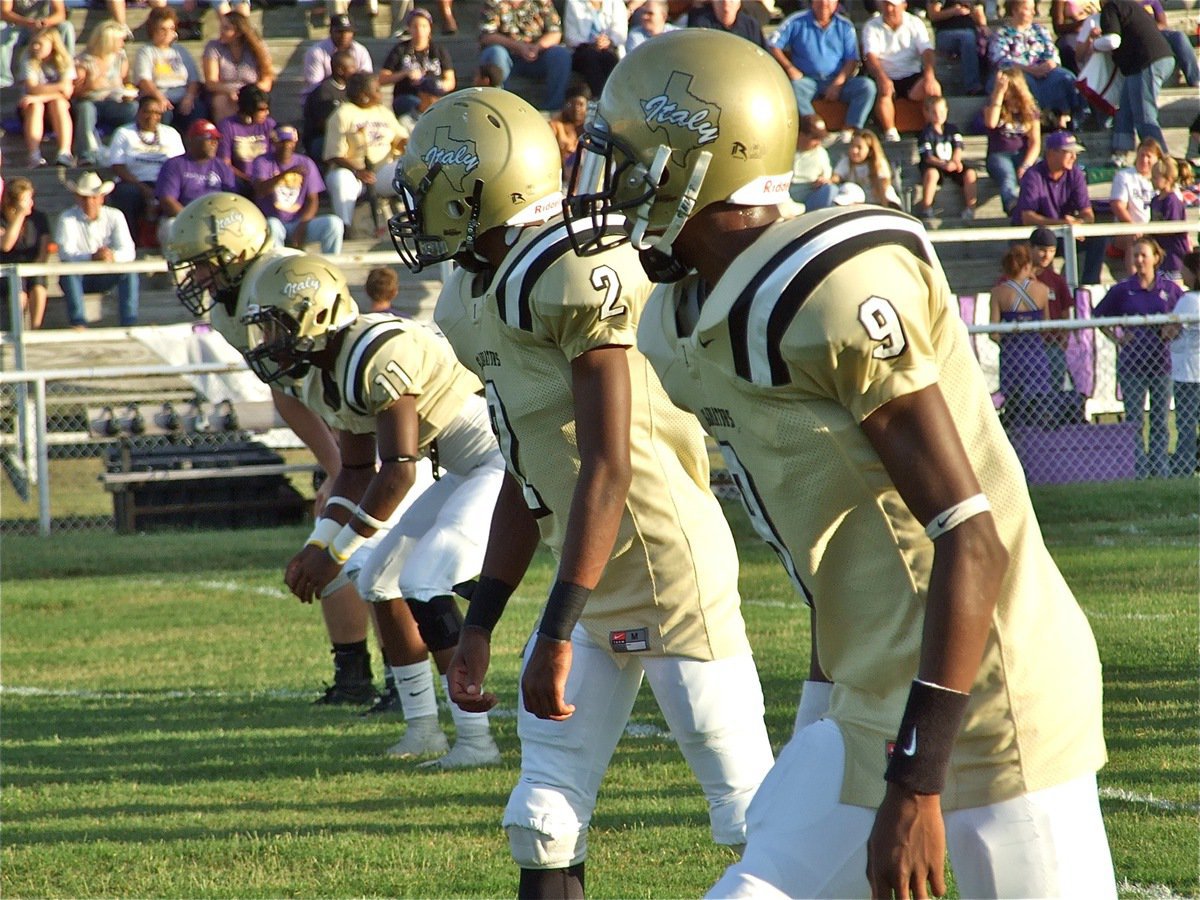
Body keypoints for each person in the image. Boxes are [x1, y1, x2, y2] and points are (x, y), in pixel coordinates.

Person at [564, 28, 1115, 899]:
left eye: (632, 166)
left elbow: (969, 540)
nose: (612, 191)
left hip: (988, 702)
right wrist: (820, 714)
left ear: (697, 166)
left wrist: (917, 782)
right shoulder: (680, 320)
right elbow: (834, 551)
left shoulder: (829, 294)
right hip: (868, 699)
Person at [393, 86, 775, 898]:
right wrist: (485, 621)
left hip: (669, 573)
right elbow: (526, 474)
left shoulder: (574, 270)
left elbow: (610, 464)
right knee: (540, 819)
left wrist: (556, 628)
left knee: (753, 818)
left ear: (479, 185)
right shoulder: (470, 295)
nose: (416, 206)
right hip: (588, 582)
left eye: (430, 185)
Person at [241, 253, 508, 768]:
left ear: (312, 317)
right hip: (461, 468)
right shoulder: (328, 372)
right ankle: (424, 731)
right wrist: (318, 542)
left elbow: (398, 473)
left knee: (426, 579)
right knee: (380, 581)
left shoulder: (375, 352)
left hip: (502, 461)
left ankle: (477, 743)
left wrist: (336, 555)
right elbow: (356, 470)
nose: (267, 340)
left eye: (275, 325)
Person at [164, 192, 390, 708]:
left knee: (376, 551)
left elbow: (342, 372)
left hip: (374, 417)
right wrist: (333, 468)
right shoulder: (234, 303)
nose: (195, 279)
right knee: (331, 527)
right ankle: (353, 673)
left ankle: (403, 675)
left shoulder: (289, 280)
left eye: (202, 266)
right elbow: (283, 389)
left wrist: (350, 469)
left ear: (237, 254)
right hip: (338, 425)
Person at [1094, 237, 1182, 478]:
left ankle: (1160, 469)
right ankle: (1139, 470)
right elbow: (1098, 317)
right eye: (1136, 255)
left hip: (1161, 363)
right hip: (1132, 364)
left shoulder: (1169, 289)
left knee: (1160, 419)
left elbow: (1183, 317)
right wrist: (1118, 339)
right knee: (1134, 421)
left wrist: (1172, 331)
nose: (1139, 260)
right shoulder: (1123, 290)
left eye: (1144, 255)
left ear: (1156, 258)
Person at [767, 0, 877, 141]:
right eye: (820, 0)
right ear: (812, 2)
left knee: (867, 87)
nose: (824, 4)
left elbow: (852, 60)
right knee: (794, 88)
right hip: (808, 81)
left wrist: (838, 83)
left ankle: (850, 130)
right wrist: (789, 68)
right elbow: (772, 44)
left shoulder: (845, 25)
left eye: (829, 1)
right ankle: (816, 131)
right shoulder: (796, 21)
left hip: (837, 81)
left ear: (836, 4)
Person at [1012, 130, 1105, 284]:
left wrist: (1079, 224)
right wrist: (1063, 224)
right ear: (1051, 153)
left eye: (1075, 153)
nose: (1074, 157)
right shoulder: (1033, 175)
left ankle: (1088, 288)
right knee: (1042, 243)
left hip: (1064, 233)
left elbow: (1088, 214)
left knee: (1097, 239)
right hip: (1033, 236)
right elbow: (1027, 217)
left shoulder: (1075, 174)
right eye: (1068, 152)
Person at [322, 72, 408, 233]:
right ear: (363, 95)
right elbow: (333, 155)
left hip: (382, 172)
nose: (380, 93)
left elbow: (400, 137)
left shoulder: (383, 111)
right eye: (376, 90)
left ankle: (416, 221)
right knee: (339, 179)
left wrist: (406, 144)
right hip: (354, 175)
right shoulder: (342, 114)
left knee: (408, 169)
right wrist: (358, 171)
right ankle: (345, 228)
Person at [1090, 0, 1175, 161]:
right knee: (1126, 108)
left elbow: (1112, 40)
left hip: (1148, 61)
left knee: (1144, 116)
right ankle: (1120, 154)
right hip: (1156, 59)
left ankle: (1162, 161)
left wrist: (1093, 45)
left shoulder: (1111, 6)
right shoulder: (1129, 5)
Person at [54, 172, 139, 329]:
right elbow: (65, 253)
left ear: (101, 197)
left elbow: (128, 251)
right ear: (77, 198)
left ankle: (129, 323)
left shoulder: (115, 216)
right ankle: (78, 322)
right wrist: (93, 257)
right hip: (79, 277)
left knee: (129, 271)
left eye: (93, 197)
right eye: (85, 197)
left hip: (105, 274)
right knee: (69, 272)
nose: (89, 202)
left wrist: (110, 256)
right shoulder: (66, 218)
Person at [250, 124, 344, 255]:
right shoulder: (263, 162)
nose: (286, 146)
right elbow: (260, 190)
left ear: (295, 143)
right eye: (281, 142)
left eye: (290, 142)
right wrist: (286, 173)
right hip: (275, 222)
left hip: (299, 222)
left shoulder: (306, 162)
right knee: (272, 225)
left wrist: (303, 224)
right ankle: (278, 265)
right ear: (274, 143)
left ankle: (332, 265)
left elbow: (313, 200)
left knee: (334, 223)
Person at [989, 243, 1055, 425]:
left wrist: (1007, 342)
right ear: (1027, 265)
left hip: (1012, 354)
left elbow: (993, 332)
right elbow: (1047, 326)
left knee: (1013, 405)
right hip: (1035, 352)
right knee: (1038, 403)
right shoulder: (1042, 289)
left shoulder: (998, 292)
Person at [108, 95, 185, 247]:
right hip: (134, 181)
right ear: (138, 112)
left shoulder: (171, 134)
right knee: (126, 194)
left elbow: (178, 165)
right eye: (147, 112)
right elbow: (117, 166)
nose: (152, 116)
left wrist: (163, 188)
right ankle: (130, 242)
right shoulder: (124, 133)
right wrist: (143, 188)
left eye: (157, 113)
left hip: (165, 182)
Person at [862, 0, 941, 142]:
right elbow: (870, 56)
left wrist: (929, 75)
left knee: (933, 88)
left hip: (911, 74)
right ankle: (890, 132)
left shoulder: (915, 23)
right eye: (887, 4)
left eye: (894, 5)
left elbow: (927, 50)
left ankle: (935, 131)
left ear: (904, 6)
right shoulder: (871, 26)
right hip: (885, 74)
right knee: (884, 91)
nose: (890, 9)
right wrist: (882, 77)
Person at [989, 0, 1080, 120]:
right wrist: (1031, 70)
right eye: (1028, 9)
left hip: (1045, 71)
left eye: (1033, 8)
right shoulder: (1002, 33)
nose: (1033, 12)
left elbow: (1052, 53)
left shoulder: (1040, 31)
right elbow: (1001, 60)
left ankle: (1071, 118)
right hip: (1020, 72)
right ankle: (1035, 120)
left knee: (1066, 77)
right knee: (1027, 83)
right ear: (1015, 11)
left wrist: (1049, 64)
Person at [477, 0, 573, 112]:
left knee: (561, 54)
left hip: (537, 56)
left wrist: (537, 47)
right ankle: (502, 108)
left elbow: (555, 32)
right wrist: (519, 47)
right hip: (507, 57)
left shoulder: (542, 2)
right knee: (495, 52)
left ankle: (553, 109)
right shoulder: (493, 3)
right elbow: (487, 36)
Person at [155, 119, 238, 245]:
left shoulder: (223, 167)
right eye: (209, 138)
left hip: (219, 221)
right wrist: (195, 221)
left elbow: (231, 200)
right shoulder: (175, 165)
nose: (214, 143)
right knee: (170, 227)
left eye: (216, 139)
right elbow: (167, 201)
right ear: (192, 140)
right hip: (182, 220)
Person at [71, 18, 137, 166]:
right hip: (89, 101)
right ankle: (86, 155)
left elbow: (126, 81)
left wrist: (127, 93)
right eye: (120, 40)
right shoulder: (84, 61)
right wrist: (89, 86)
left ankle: (126, 150)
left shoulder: (120, 58)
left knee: (132, 108)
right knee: (85, 109)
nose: (122, 44)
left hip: (113, 101)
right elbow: (73, 93)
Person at [982, 67, 1041, 216]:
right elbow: (991, 123)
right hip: (999, 154)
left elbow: (1035, 143)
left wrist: (1026, 165)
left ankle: (1037, 204)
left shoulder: (1030, 110)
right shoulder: (994, 105)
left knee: (1037, 170)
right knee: (1007, 175)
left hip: (1022, 153)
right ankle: (1011, 205)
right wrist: (998, 93)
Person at [132, 6, 202, 131]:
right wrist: (160, 97)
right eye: (162, 29)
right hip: (158, 95)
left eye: (171, 29)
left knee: (197, 109)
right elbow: (144, 81)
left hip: (182, 96)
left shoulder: (181, 51)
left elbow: (193, 79)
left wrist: (190, 96)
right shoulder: (146, 52)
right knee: (161, 113)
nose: (167, 33)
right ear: (153, 29)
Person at [379, 8, 454, 117]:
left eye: (424, 26)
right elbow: (382, 78)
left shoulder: (438, 50)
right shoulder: (400, 49)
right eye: (415, 26)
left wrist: (439, 86)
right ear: (409, 28)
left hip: (433, 95)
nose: (419, 30)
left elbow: (450, 81)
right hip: (408, 95)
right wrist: (404, 73)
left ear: (430, 28)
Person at [202, 11, 274, 124]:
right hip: (225, 91)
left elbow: (267, 80)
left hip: (252, 91)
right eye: (221, 27)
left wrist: (246, 94)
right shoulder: (213, 47)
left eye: (226, 28)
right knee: (221, 101)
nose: (221, 31)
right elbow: (211, 82)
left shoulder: (257, 47)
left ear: (239, 32)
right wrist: (230, 90)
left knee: (255, 102)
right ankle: (228, 134)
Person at [16, 26, 73, 167]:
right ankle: (34, 155)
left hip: (56, 107)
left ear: (52, 45)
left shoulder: (65, 60)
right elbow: (32, 88)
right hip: (30, 107)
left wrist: (40, 96)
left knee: (58, 103)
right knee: (35, 106)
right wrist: (58, 87)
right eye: (34, 43)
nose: (35, 47)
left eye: (39, 44)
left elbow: (67, 92)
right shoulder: (28, 58)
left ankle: (65, 152)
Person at [1165, 250, 1200, 477]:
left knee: (1186, 425)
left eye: (1185, 269)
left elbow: (1169, 332)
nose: (1182, 273)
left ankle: (1184, 468)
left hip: (1188, 373)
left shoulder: (1188, 301)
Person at [916, 94, 978, 220]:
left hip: (952, 163)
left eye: (941, 111)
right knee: (932, 174)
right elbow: (928, 157)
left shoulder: (952, 129)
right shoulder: (925, 133)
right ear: (927, 113)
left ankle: (970, 209)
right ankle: (926, 208)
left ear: (946, 111)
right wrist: (943, 164)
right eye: (934, 112)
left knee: (970, 173)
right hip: (935, 165)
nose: (938, 115)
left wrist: (955, 161)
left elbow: (958, 146)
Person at [1028, 225, 1075, 391]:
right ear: (1030, 248)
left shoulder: (1056, 280)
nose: (1047, 255)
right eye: (1042, 250)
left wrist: (1064, 338)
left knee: (1055, 391)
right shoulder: (1017, 279)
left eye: (1051, 250)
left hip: (1052, 345)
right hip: (1027, 346)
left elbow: (1065, 312)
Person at [0, 177, 51, 329]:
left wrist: (36, 268)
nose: (31, 204)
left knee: (38, 287)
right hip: (6, 269)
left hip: (31, 268)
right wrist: (20, 216)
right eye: (26, 199)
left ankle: (36, 329)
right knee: (19, 294)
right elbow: (6, 245)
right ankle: (17, 332)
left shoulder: (39, 218)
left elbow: (44, 250)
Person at [0, 0, 73, 92]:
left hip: (43, 27)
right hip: (18, 26)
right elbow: (4, 12)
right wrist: (27, 22)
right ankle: (4, 80)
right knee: (1, 28)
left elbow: (60, 14)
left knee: (66, 26)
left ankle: (68, 69)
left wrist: (47, 21)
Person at [1109, 137, 1162, 257]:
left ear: (1157, 159)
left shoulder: (1162, 180)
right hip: (1127, 229)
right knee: (1135, 241)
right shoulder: (1124, 176)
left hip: (1155, 230)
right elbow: (1117, 205)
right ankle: (1135, 276)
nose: (1144, 159)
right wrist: (1133, 227)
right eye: (1141, 155)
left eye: (1149, 156)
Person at [216, 84, 276, 188]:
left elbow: (274, 157)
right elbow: (225, 163)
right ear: (249, 109)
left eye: (267, 109)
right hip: (238, 179)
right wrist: (247, 179)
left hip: (264, 179)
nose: (267, 113)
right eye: (261, 110)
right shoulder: (227, 126)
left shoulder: (269, 124)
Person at [302, 14, 372, 102]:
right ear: (331, 31)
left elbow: (366, 79)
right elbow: (315, 86)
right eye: (340, 31)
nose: (344, 35)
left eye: (348, 31)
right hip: (320, 101)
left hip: (352, 98)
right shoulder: (316, 52)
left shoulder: (360, 51)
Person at [302, 48, 356, 162]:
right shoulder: (323, 92)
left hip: (344, 134)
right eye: (352, 68)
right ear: (340, 70)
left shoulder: (351, 88)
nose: (355, 71)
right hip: (321, 138)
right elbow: (324, 124)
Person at [563, 0, 626, 97]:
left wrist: (608, 41)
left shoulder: (617, 3)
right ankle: (599, 97)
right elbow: (570, 37)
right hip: (582, 50)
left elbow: (620, 32)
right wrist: (592, 44)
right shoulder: (573, 3)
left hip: (609, 48)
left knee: (609, 59)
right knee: (590, 58)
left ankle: (615, 97)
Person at [833, 128, 903, 208]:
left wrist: (885, 205)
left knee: (888, 191)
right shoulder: (846, 161)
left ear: (870, 151)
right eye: (852, 146)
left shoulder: (879, 163)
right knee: (849, 188)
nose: (854, 150)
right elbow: (837, 176)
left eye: (859, 147)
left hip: (878, 202)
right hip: (858, 203)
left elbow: (883, 185)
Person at [928, 0, 987, 94]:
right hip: (946, 34)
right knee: (967, 38)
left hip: (970, 33)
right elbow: (933, 15)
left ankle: (989, 87)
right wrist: (954, 11)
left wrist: (975, 14)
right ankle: (973, 86)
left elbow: (981, 18)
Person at [1149, 156, 1192, 280]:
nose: (1152, 179)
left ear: (1167, 179)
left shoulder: (1172, 200)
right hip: (1161, 257)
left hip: (1174, 257)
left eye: (1156, 177)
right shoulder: (1155, 201)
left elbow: (1172, 227)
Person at [789, 113, 836, 210]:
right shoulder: (787, 150)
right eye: (814, 139)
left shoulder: (821, 153)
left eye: (820, 139)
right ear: (801, 135)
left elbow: (827, 177)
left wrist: (824, 180)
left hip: (809, 192)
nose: (818, 143)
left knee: (830, 190)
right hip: (787, 194)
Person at [687, 0, 769, 50]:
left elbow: (763, 56)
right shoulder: (700, 25)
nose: (726, 3)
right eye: (720, 0)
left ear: (739, 3)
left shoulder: (751, 26)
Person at [547, 83, 589, 171]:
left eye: (581, 104)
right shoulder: (555, 125)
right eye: (571, 104)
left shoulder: (592, 128)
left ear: (587, 107)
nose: (576, 108)